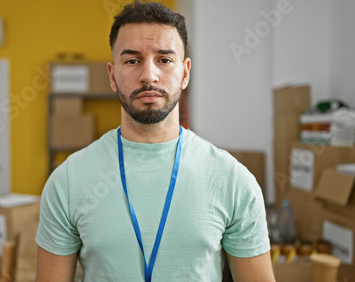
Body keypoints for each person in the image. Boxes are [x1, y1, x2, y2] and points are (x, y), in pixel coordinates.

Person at [36, 1, 275, 281]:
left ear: (185, 73)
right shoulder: (68, 180)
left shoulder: (233, 181)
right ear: (112, 76)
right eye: (132, 60)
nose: (149, 76)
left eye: (164, 59)